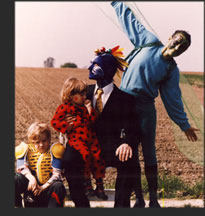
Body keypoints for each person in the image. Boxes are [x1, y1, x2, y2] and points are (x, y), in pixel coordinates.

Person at [111, 1, 199, 208]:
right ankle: (138, 199)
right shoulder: (149, 41)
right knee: (128, 152)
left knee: (149, 152)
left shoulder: (171, 70)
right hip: (124, 105)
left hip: (145, 109)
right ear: (169, 38)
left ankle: (153, 199)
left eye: (182, 47)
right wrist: (116, 3)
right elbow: (130, 20)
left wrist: (184, 124)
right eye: (177, 41)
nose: (177, 47)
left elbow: (173, 99)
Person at [86, 45, 140, 207]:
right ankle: (80, 204)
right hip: (85, 145)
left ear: (109, 69)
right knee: (67, 158)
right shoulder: (83, 93)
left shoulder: (125, 99)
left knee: (130, 162)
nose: (91, 68)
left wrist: (127, 143)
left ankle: (121, 207)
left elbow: (135, 128)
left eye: (96, 65)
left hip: (111, 147)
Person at [50, 77, 108, 206]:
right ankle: (87, 184)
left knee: (97, 156)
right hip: (78, 140)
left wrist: (89, 109)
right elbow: (55, 122)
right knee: (85, 156)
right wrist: (67, 126)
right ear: (70, 95)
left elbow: (93, 120)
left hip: (91, 138)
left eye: (84, 94)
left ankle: (99, 185)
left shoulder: (84, 108)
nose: (84, 97)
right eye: (80, 94)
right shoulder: (64, 108)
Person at [15, 122, 66, 208]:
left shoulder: (54, 151)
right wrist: (32, 179)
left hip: (48, 187)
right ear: (32, 141)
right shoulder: (25, 150)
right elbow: (21, 168)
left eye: (44, 141)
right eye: (37, 142)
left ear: (49, 139)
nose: (41, 145)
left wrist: (43, 187)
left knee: (58, 186)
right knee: (15, 179)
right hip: (32, 187)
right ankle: (18, 206)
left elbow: (57, 174)